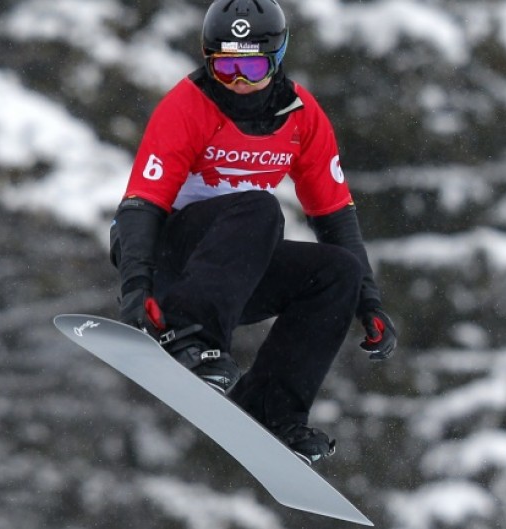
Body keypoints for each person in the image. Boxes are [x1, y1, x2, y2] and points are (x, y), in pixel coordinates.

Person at [109, 0, 397, 464]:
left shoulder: (301, 116)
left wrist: (370, 302)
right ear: (208, 59)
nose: (238, 81)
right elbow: (141, 205)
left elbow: (335, 215)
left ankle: (269, 411)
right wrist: (136, 287)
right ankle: (187, 335)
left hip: (229, 269)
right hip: (166, 260)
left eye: (250, 65)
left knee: (337, 272)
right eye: (225, 67)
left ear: (277, 60)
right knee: (261, 208)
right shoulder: (188, 105)